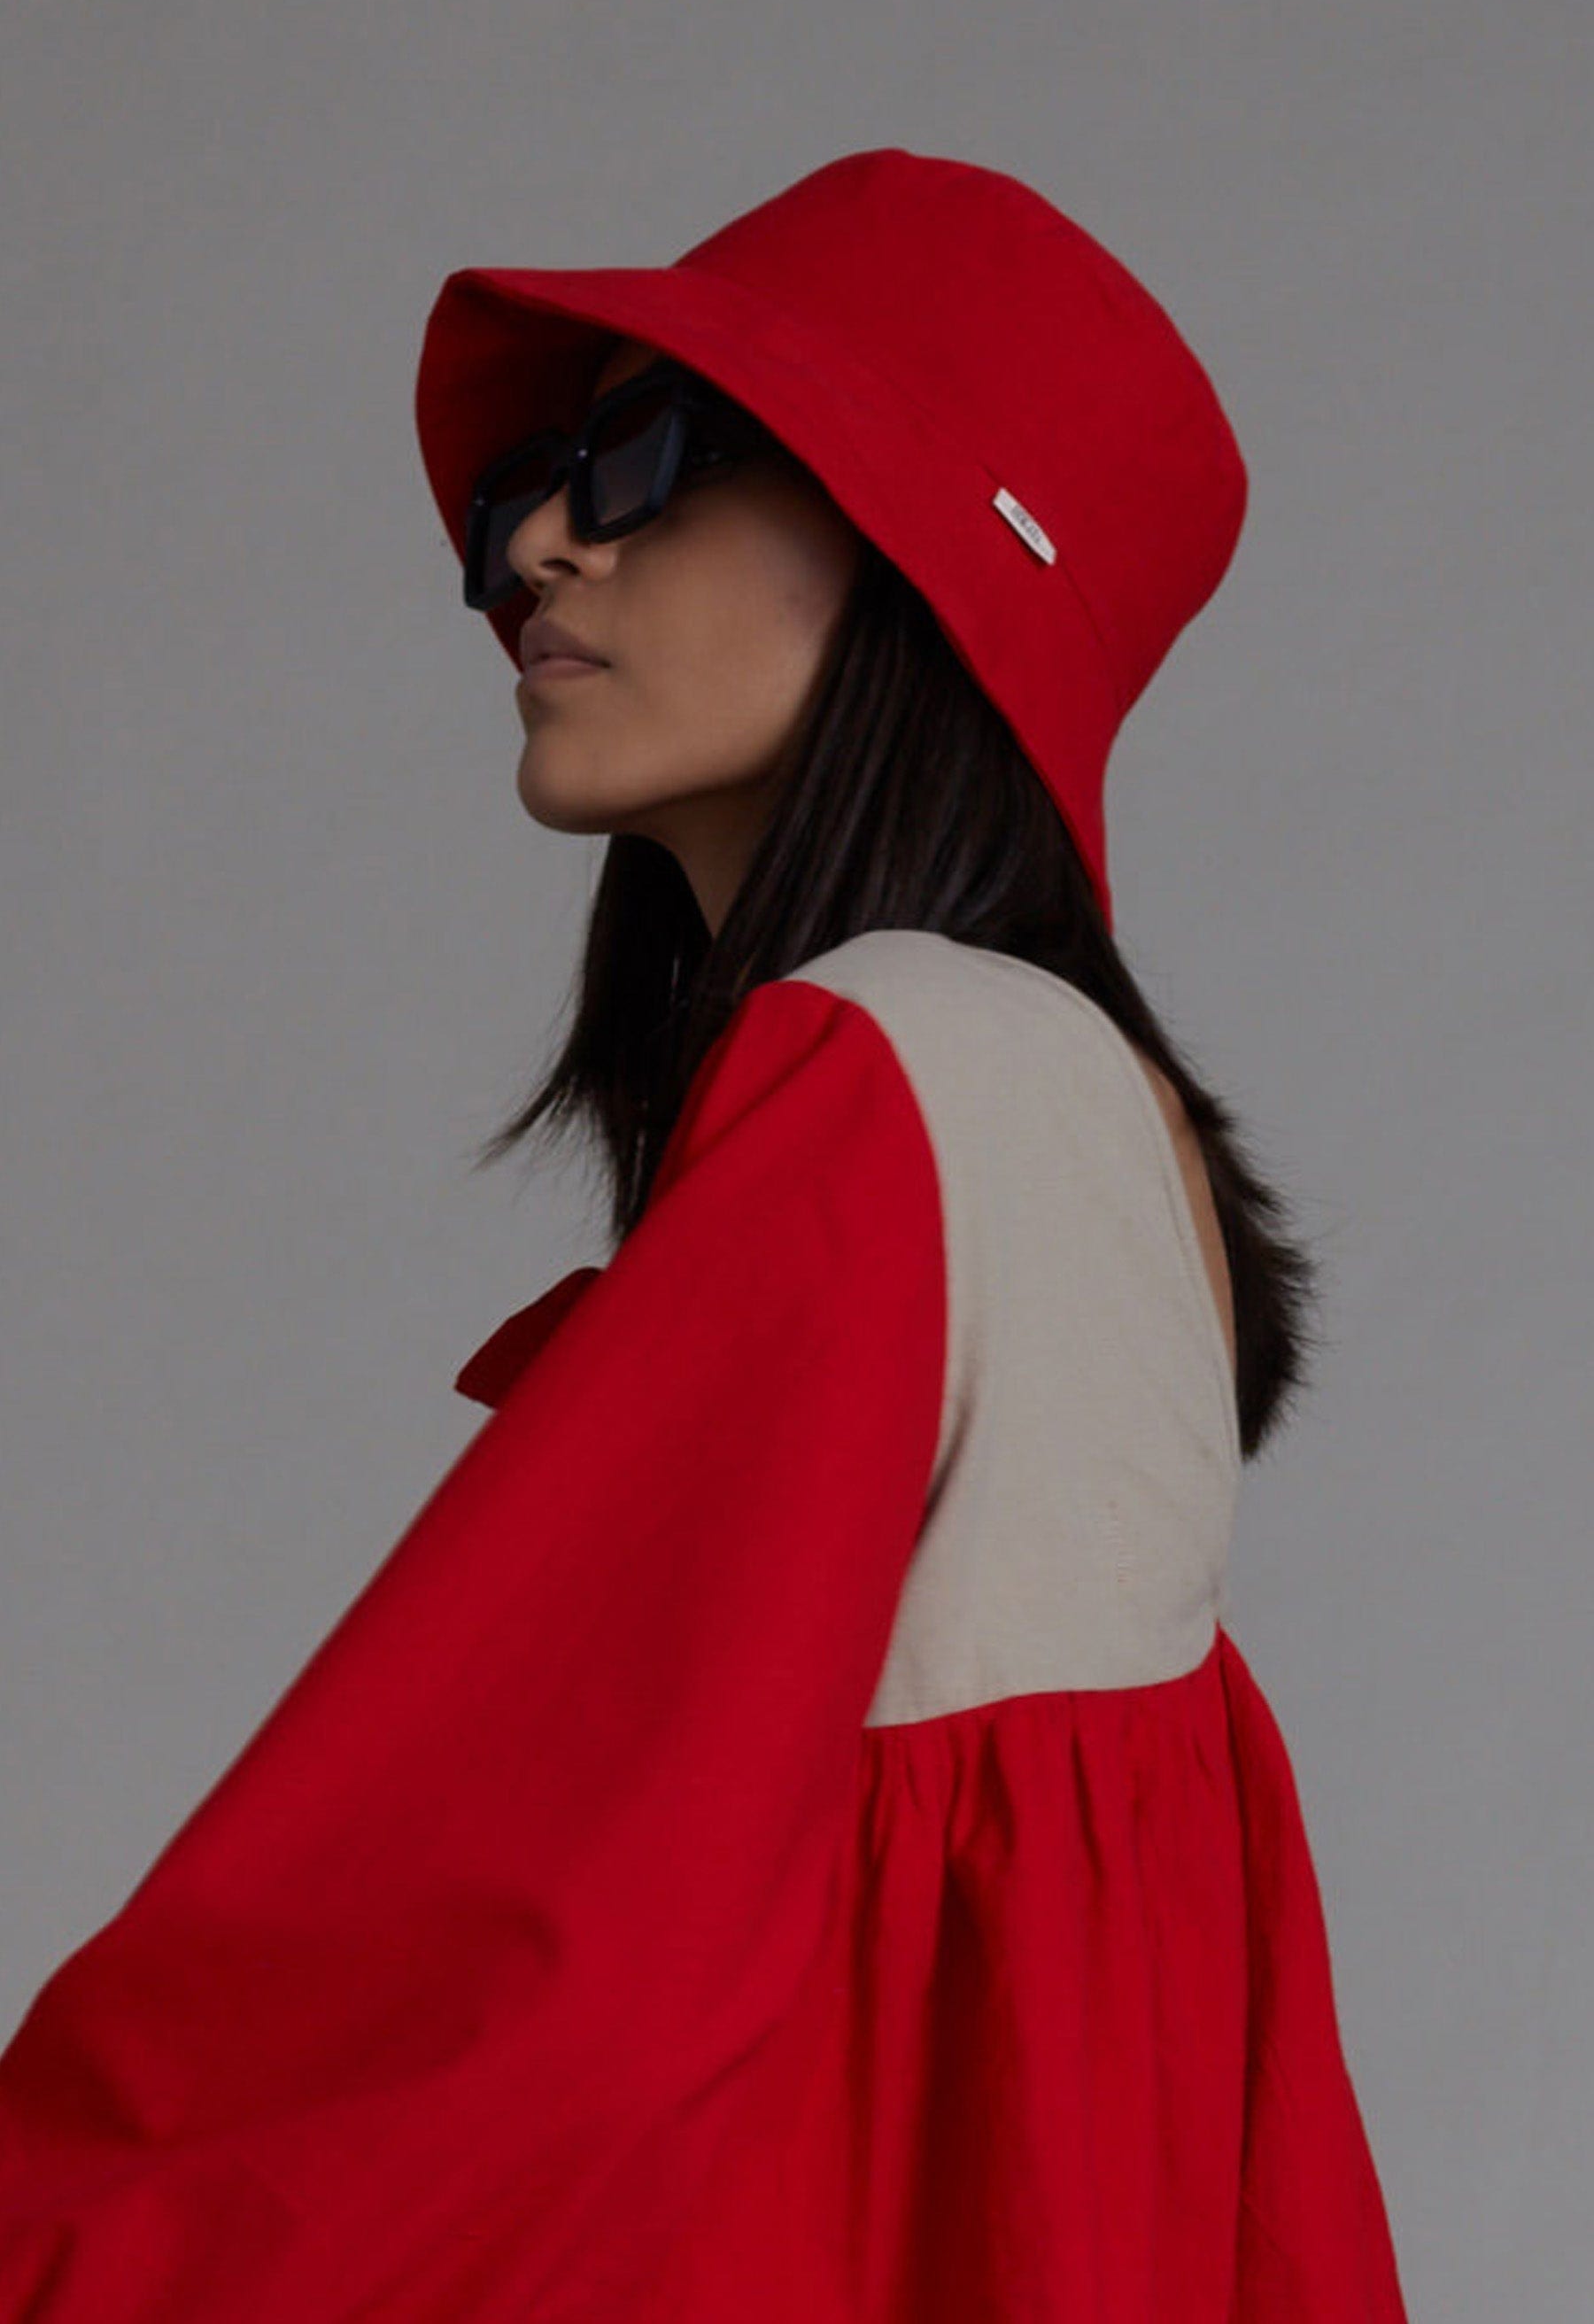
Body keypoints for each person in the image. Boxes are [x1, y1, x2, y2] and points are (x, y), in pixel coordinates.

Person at [0, 146, 1411, 2320]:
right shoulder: (1089, 1112)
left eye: (653, 460)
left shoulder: (884, 1078)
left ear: (928, 557)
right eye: (530, 488)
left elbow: (507, 1943)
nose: (537, 548)